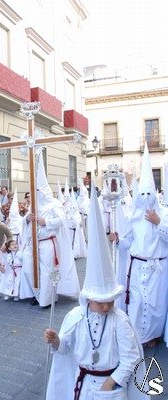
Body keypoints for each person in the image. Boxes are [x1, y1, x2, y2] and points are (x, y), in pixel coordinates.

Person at [44, 182, 148, 400]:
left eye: (111, 300)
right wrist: (55, 341)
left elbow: (131, 357)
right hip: (82, 387)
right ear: (88, 298)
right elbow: (65, 349)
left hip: (111, 387)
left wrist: (111, 382)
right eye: (101, 301)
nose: (107, 306)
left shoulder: (120, 321)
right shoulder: (75, 317)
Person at [109, 143, 168, 348]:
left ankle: (152, 335)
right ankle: (136, 336)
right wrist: (119, 240)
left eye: (147, 194)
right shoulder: (134, 218)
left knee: (153, 304)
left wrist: (158, 222)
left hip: (156, 269)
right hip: (136, 268)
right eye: (141, 194)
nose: (144, 198)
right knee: (136, 302)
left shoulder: (164, 214)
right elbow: (129, 242)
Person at [20, 154, 80, 308]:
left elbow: (62, 221)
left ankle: (47, 298)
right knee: (30, 269)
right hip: (33, 243)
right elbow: (25, 221)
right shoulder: (34, 205)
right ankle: (36, 293)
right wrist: (27, 219)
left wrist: (45, 221)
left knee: (47, 272)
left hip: (47, 243)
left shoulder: (54, 204)